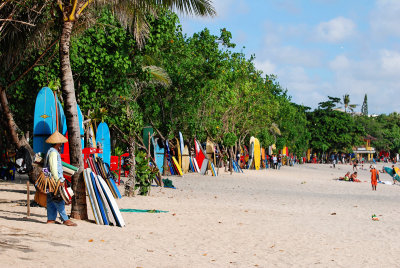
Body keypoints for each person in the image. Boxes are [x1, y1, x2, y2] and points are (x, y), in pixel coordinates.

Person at [44, 131, 77, 226]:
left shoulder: (49, 151)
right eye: (60, 143)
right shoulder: (53, 153)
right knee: (59, 199)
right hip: (55, 180)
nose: (61, 144)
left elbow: (45, 167)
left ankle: (50, 219)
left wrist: (47, 178)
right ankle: (65, 219)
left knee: (50, 200)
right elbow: (53, 168)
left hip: (49, 179)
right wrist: (58, 180)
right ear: (58, 143)